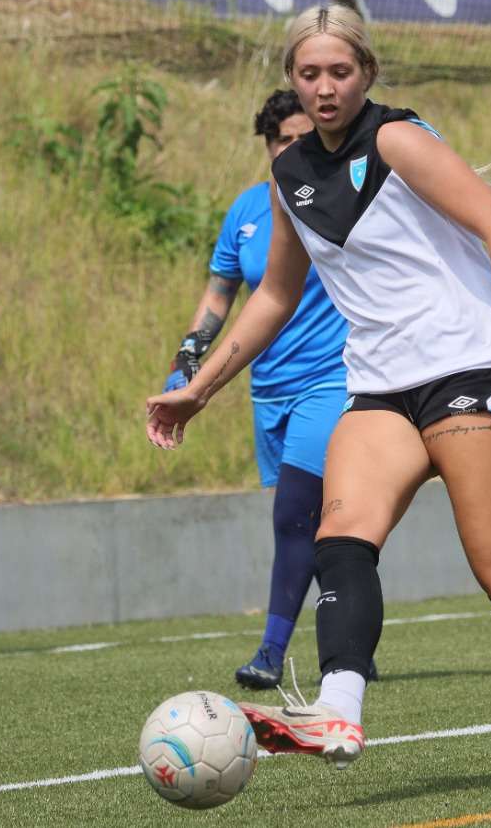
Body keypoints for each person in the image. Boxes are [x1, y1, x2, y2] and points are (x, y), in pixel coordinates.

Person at [146, 4, 491, 788]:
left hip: (471, 368)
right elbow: (275, 295)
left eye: (339, 72)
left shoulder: (397, 140)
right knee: (341, 538)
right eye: (308, 74)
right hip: (380, 385)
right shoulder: (287, 176)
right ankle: (340, 706)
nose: (324, 87)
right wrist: (199, 388)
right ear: (292, 81)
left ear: (366, 74)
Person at [161, 89, 352, 689]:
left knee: (293, 516)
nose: (292, 149)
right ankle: (353, 642)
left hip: (332, 379)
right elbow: (221, 293)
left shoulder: (339, 198)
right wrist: (188, 360)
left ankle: (270, 654)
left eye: (301, 138)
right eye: (281, 141)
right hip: (266, 388)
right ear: (268, 146)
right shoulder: (245, 210)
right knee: (319, 527)